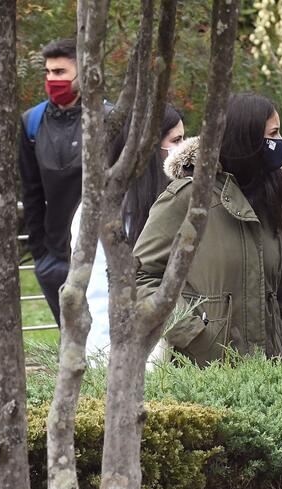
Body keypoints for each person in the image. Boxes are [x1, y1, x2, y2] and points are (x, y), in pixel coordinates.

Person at [133, 92, 282, 364]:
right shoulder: (188, 199)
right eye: (273, 134)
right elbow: (140, 278)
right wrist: (192, 333)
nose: (279, 142)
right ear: (246, 139)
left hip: (271, 376)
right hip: (201, 377)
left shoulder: (277, 199)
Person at [69, 105, 184, 357]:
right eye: (176, 141)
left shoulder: (176, 203)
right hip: (127, 361)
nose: (183, 150)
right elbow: (99, 300)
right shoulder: (100, 215)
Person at [18, 37, 85, 325]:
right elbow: (31, 193)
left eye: (60, 72)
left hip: (102, 255)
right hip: (55, 257)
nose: (51, 79)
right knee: (70, 339)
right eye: (47, 72)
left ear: (83, 73)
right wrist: (41, 258)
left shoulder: (109, 121)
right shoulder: (31, 122)